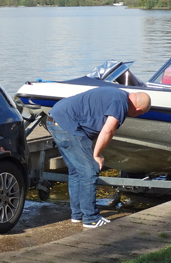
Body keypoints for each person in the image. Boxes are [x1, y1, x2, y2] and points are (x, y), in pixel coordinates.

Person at [46, 87, 151, 228]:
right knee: (90, 170)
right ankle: (91, 218)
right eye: (139, 114)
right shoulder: (121, 103)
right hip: (67, 124)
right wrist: (96, 154)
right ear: (138, 110)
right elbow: (108, 130)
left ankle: (77, 215)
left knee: (77, 171)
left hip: (55, 119)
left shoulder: (118, 94)